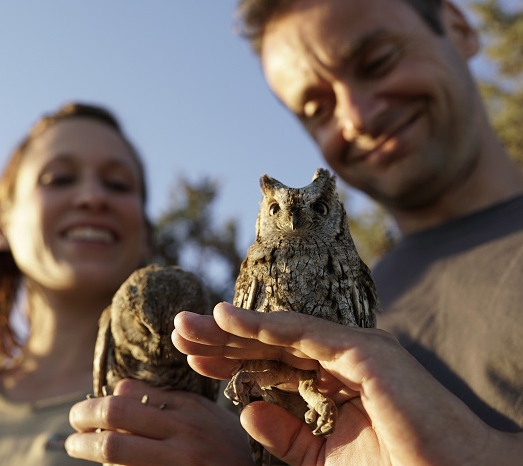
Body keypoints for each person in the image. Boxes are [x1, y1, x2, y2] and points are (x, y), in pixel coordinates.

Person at [173, 0, 523, 464]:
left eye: (377, 61)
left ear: (459, 27)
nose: (358, 116)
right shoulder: (372, 288)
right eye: (318, 107)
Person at [0, 102, 251, 465]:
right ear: (0, 222)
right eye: (59, 178)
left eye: (117, 185)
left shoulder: (226, 401)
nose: (93, 197)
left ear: (145, 234)